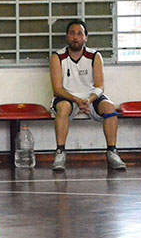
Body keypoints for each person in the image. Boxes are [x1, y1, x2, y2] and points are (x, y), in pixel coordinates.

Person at [49, 19, 127, 171]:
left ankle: (112, 152)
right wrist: (77, 100)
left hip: (90, 97)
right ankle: (60, 153)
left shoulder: (95, 56)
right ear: (67, 37)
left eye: (79, 34)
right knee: (63, 108)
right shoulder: (57, 57)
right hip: (68, 97)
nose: (75, 37)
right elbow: (57, 89)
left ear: (86, 37)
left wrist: (89, 100)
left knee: (110, 107)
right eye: (72, 33)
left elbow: (100, 86)